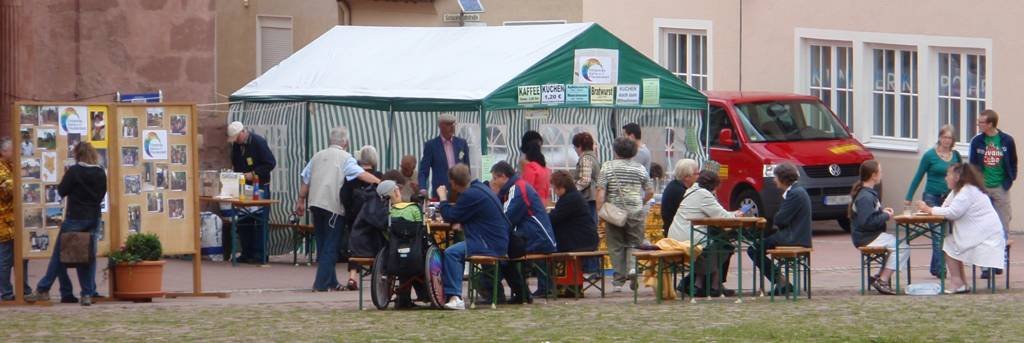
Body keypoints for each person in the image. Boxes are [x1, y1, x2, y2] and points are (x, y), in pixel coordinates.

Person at [294, 128, 380, 292]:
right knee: (331, 246)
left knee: (322, 244)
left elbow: (306, 179)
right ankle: (320, 284)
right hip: (332, 206)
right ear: (346, 143)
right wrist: (379, 182)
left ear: (330, 140)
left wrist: (300, 200)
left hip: (315, 203)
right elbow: (361, 174)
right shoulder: (346, 158)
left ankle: (332, 281)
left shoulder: (317, 156)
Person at [26, 142, 107, 306]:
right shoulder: (100, 172)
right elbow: (101, 195)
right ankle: (87, 294)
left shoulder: (74, 171)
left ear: (77, 155)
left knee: (59, 255)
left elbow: (61, 191)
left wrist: (66, 176)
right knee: (88, 256)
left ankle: (43, 288)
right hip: (93, 217)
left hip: (75, 217)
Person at [918, 163, 1007, 293]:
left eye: (948, 174)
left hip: (987, 239)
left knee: (949, 243)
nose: (946, 178)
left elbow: (953, 212)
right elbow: (945, 207)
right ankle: (961, 282)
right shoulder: (959, 191)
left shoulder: (967, 191)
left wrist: (928, 209)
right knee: (952, 242)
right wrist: (932, 210)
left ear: (957, 176)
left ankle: (957, 282)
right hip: (981, 235)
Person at [438, 164, 510, 310]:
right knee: (455, 250)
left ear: (453, 183)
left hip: (488, 243)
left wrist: (443, 198)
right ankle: (456, 294)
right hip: (497, 240)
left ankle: (454, 296)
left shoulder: (469, 195)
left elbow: (449, 216)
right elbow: (471, 214)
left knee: (451, 253)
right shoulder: (480, 189)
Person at [490, 161, 557, 301]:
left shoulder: (517, 189)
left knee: (502, 255)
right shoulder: (517, 187)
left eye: (495, 178)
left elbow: (506, 218)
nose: (493, 182)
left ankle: (508, 294)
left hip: (537, 238)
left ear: (503, 176)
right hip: (537, 236)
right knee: (504, 252)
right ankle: (519, 293)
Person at [668, 170, 740, 297]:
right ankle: (712, 285)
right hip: (689, 237)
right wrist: (737, 214)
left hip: (676, 235)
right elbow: (723, 217)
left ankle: (700, 284)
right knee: (724, 246)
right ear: (714, 186)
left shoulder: (691, 191)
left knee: (716, 245)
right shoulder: (704, 195)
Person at [596, 137, 654, 293]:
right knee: (634, 243)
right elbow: (650, 191)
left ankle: (618, 281)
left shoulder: (607, 167)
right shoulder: (640, 168)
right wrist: (640, 201)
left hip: (614, 212)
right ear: (634, 152)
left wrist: (600, 210)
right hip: (635, 211)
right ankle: (633, 269)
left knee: (616, 245)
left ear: (615, 151)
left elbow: (601, 191)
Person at [905, 125, 962, 277]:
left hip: (949, 198)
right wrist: (908, 197)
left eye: (949, 138)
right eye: (944, 137)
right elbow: (918, 176)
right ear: (939, 138)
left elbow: (960, 176)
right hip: (932, 197)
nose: (946, 141)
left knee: (947, 235)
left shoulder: (955, 155)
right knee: (937, 234)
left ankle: (935, 267)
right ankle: (940, 269)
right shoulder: (929, 155)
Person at [746, 162, 810, 295]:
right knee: (758, 245)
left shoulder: (794, 194)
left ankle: (781, 281)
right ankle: (781, 281)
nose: (774, 181)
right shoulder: (797, 191)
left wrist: (777, 217)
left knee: (754, 250)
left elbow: (780, 219)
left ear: (782, 178)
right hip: (795, 235)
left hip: (792, 237)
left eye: (775, 177)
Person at [968, 109, 1017, 279]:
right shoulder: (977, 142)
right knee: (983, 226)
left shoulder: (1006, 140)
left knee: (1002, 226)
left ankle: (998, 262)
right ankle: (985, 266)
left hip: (1000, 187)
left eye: (981, 122)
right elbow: (972, 165)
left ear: (990, 124)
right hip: (982, 188)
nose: (978, 124)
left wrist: (1008, 181)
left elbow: (1013, 161)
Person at [849, 160, 908, 295]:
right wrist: (886, 216)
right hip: (867, 238)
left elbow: (869, 214)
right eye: (880, 172)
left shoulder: (868, 194)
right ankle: (883, 279)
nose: (882, 174)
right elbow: (866, 222)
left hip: (870, 235)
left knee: (897, 246)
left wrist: (881, 212)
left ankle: (879, 276)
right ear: (873, 175)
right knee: (903, 247)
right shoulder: (865, 197)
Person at [227, 121, 277, 263]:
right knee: (244, 220)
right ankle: (246, 252)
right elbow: (236, 163)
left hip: (260, 186)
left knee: (260, 221)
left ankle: (260, 254)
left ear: (243, 133)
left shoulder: (258, 142)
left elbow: (270, 163)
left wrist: (254, 173)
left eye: (237, 137)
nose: (236, 141)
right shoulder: (237, 145)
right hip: (244, 186)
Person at [340, 145, 384, 290]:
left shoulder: (351, 178)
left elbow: (344, 197)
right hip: (374, 220)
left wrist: (350, 212)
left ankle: (352, 277)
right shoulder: (379, 176)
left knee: (355, 245)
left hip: (355, 218)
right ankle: (380, 274)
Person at [0, 137, 32, 301]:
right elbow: (8, 188)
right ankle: (6, 292)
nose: (17, 153)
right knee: (5, 259)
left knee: (23, 257)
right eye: (13, 150)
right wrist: (23, 179)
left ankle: (24, 288)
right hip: (4, 223)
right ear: (4, 152)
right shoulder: (1, 168)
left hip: (19, 222)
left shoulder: (14, 166)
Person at [418, 113, 470, 199]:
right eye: (448, 124)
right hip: (440, 190)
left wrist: (468, 186)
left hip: (460, 189)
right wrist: (423, 188)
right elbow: (423, 170)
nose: (452, 127)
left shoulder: (462, 143)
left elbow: (467, 167)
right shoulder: (431, 145)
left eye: (453, 124)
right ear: (440, 126)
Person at [661, 159, 698, 237]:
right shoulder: (680, 191)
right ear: (687, 177)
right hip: (678, 234)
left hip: (674, 230)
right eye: (697, 174)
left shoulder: (674, 185)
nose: (699, 177)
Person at [572, 132, 601, 223]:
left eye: (575, 147)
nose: (575, 149)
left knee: (589, 225)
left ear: (580, 146)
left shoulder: (586, 158)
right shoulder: (593, 157)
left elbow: (585, 180)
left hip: (588, 198)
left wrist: (572, 189)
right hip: (592, 197)